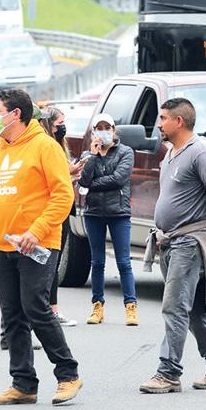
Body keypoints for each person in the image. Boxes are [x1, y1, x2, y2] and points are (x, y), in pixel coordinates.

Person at [0, 89, 82, 406]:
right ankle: (23, 384)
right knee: (11, 314)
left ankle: (68, 374)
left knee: (35, 307)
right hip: (3, 244)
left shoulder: (44, 147)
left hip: (37, 244)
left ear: (16, 114)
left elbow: (62, 195)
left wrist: (36, 231)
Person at [140, 98, 206, 394]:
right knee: (190, 309)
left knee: (174, 307)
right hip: (168, 240)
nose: (159, 124)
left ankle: (168, 373)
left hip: (188, 241)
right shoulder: (170, 153)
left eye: (163, 118)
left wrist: (205, 222)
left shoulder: (200, 152)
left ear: (178, 121)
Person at [78, 112, 137, 326]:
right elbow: (83, 181)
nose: (103, 132)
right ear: (93, 132)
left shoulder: (125, 152)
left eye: (107, 128)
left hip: (119, 212)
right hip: (94, 213)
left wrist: (93, 184)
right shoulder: (88, 155)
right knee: (97, 262)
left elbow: (118, 179)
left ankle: (130, 306)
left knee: (124, 262)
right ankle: (97, 306)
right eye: (99, 128)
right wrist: (93, 157)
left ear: (114, 130)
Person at [39, 106, 83, 327]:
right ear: (48, 124)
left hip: (63, 209)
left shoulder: (58, 146)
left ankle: (52, 310)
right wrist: (69, 172)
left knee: (53, 265)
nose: (63, 128)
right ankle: (45, 312)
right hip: (48, 212)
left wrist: (71, 173)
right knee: (46, 264)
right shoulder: (45, 147)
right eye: (59, 124)